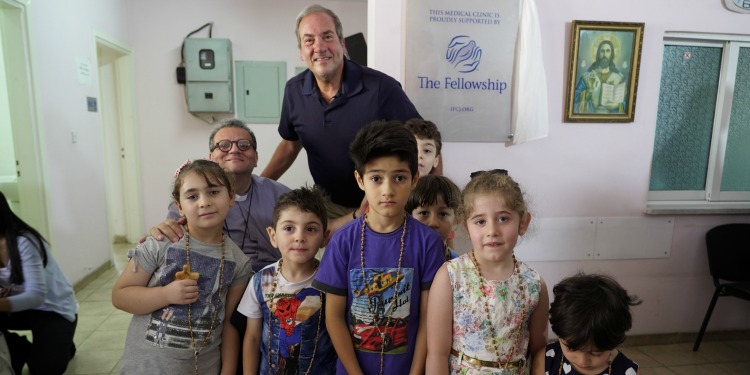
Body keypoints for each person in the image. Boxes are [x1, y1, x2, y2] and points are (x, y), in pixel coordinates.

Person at [261, 4, 421, 232]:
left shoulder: (381, 88)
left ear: (342, 43)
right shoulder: (294, 91)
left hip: (381, 205)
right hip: (328, 206)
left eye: (327, 36)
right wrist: (256, 186)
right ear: (301, 51)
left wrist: (423, 197)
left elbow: (421, 139)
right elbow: (290, 144)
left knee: (376, 268)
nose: (319, 47)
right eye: (309, 40)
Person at [312, 120, 444, 375]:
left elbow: (429, 318)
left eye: (399, 178)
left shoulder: (428, 243)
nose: (388, 190)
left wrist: (415, 373)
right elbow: (334, 317)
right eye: (376, 178)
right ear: (360, 180)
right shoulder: (343, 241)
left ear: (414, 179)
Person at [113, 159, 252, 374]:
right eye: (192, 196)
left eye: (213, 192)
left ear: (231, 196)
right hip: (148, 368)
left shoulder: (239, 262)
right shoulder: (160, 243)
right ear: (179, 206)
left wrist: (228, 370)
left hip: (203, 367)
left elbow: (229, 325)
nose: (204, 202)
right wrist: (165, 295)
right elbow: (120, 296)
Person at [425, 169, 549, 374]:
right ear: (467, 227)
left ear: (523, 223)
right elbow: (437, 353)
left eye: (503, 219)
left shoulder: (535, 285)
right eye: (480, 221)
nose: (492, 230)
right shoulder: (450, 276)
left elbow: (539, 352)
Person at [151, 118, 290, 273]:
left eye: (244, 145)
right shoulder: (191, 202)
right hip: (216, 278)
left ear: (256, 158)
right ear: (210, 158)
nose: (234, 150)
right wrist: (161, 234)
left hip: (273, 277)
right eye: (224, 145)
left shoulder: (282, 195)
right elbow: (170, 237)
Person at [237, 186, 336, 374]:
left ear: (324, 237)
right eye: (289, 228)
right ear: (273, 236)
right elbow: (252, 338)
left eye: (310, 229)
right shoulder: (261, 280)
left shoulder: (331, 280)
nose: (299, 237)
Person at [0, 190, 78, 375]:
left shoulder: (24, 241)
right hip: (14, 309)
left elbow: (36, 296)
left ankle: (61, 343)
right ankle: (16, 348)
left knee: (43, 370)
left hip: (52, 309)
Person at [534, 273, 641, 375]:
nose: (583, 361)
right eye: (571, 349)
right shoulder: (546, 360)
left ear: (613, 342)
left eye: (595, 353)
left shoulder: (628, 371)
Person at [405, 175, 461, 261]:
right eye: (424, 213)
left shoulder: (459, 267)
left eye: (443, 214)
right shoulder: (399, 261)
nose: (433, 223)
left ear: (456, 221)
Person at [574, 40, 627, 114]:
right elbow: (574, 98)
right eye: (602, 51)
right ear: (598, 54)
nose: (605, 54)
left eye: (608, 51)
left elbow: (627, 101)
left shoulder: (619, 78)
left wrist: (618, 105)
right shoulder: (587, 77)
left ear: (611, 54)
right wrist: (588, 92)